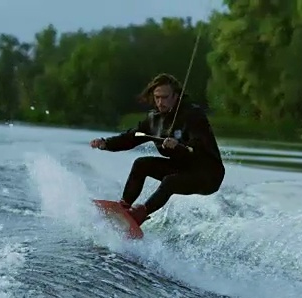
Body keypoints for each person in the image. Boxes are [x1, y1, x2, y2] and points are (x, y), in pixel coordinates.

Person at [90, 73, 225, 226]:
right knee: (141, 164)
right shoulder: (154, 120)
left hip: (208, 174)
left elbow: (199, 146)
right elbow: (131, 138)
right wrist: (105, 143)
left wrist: (179, 146)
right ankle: (124, 206)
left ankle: (139, 215)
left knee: (170, 181)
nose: (160, 102)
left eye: (165, 97)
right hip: (183, 169)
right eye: (157, 98)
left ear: (176, 96)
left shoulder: (193, 115)